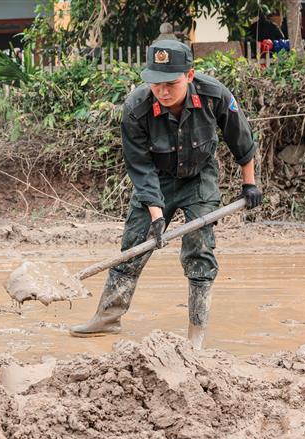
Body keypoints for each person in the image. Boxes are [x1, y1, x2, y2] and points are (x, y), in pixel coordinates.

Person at [69, 40, 263, 349]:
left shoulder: (214, 95)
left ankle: (196, 331)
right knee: (134, 244)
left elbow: (240, 139)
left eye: (171, 83)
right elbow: (140, 167)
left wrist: (249, 184)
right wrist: (156, 216)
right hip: (156, 180)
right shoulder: (136, 107)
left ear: (189, 74)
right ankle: (107, 318)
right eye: (156, 83)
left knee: (199, 247)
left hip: (199, 177)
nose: (163, 91)